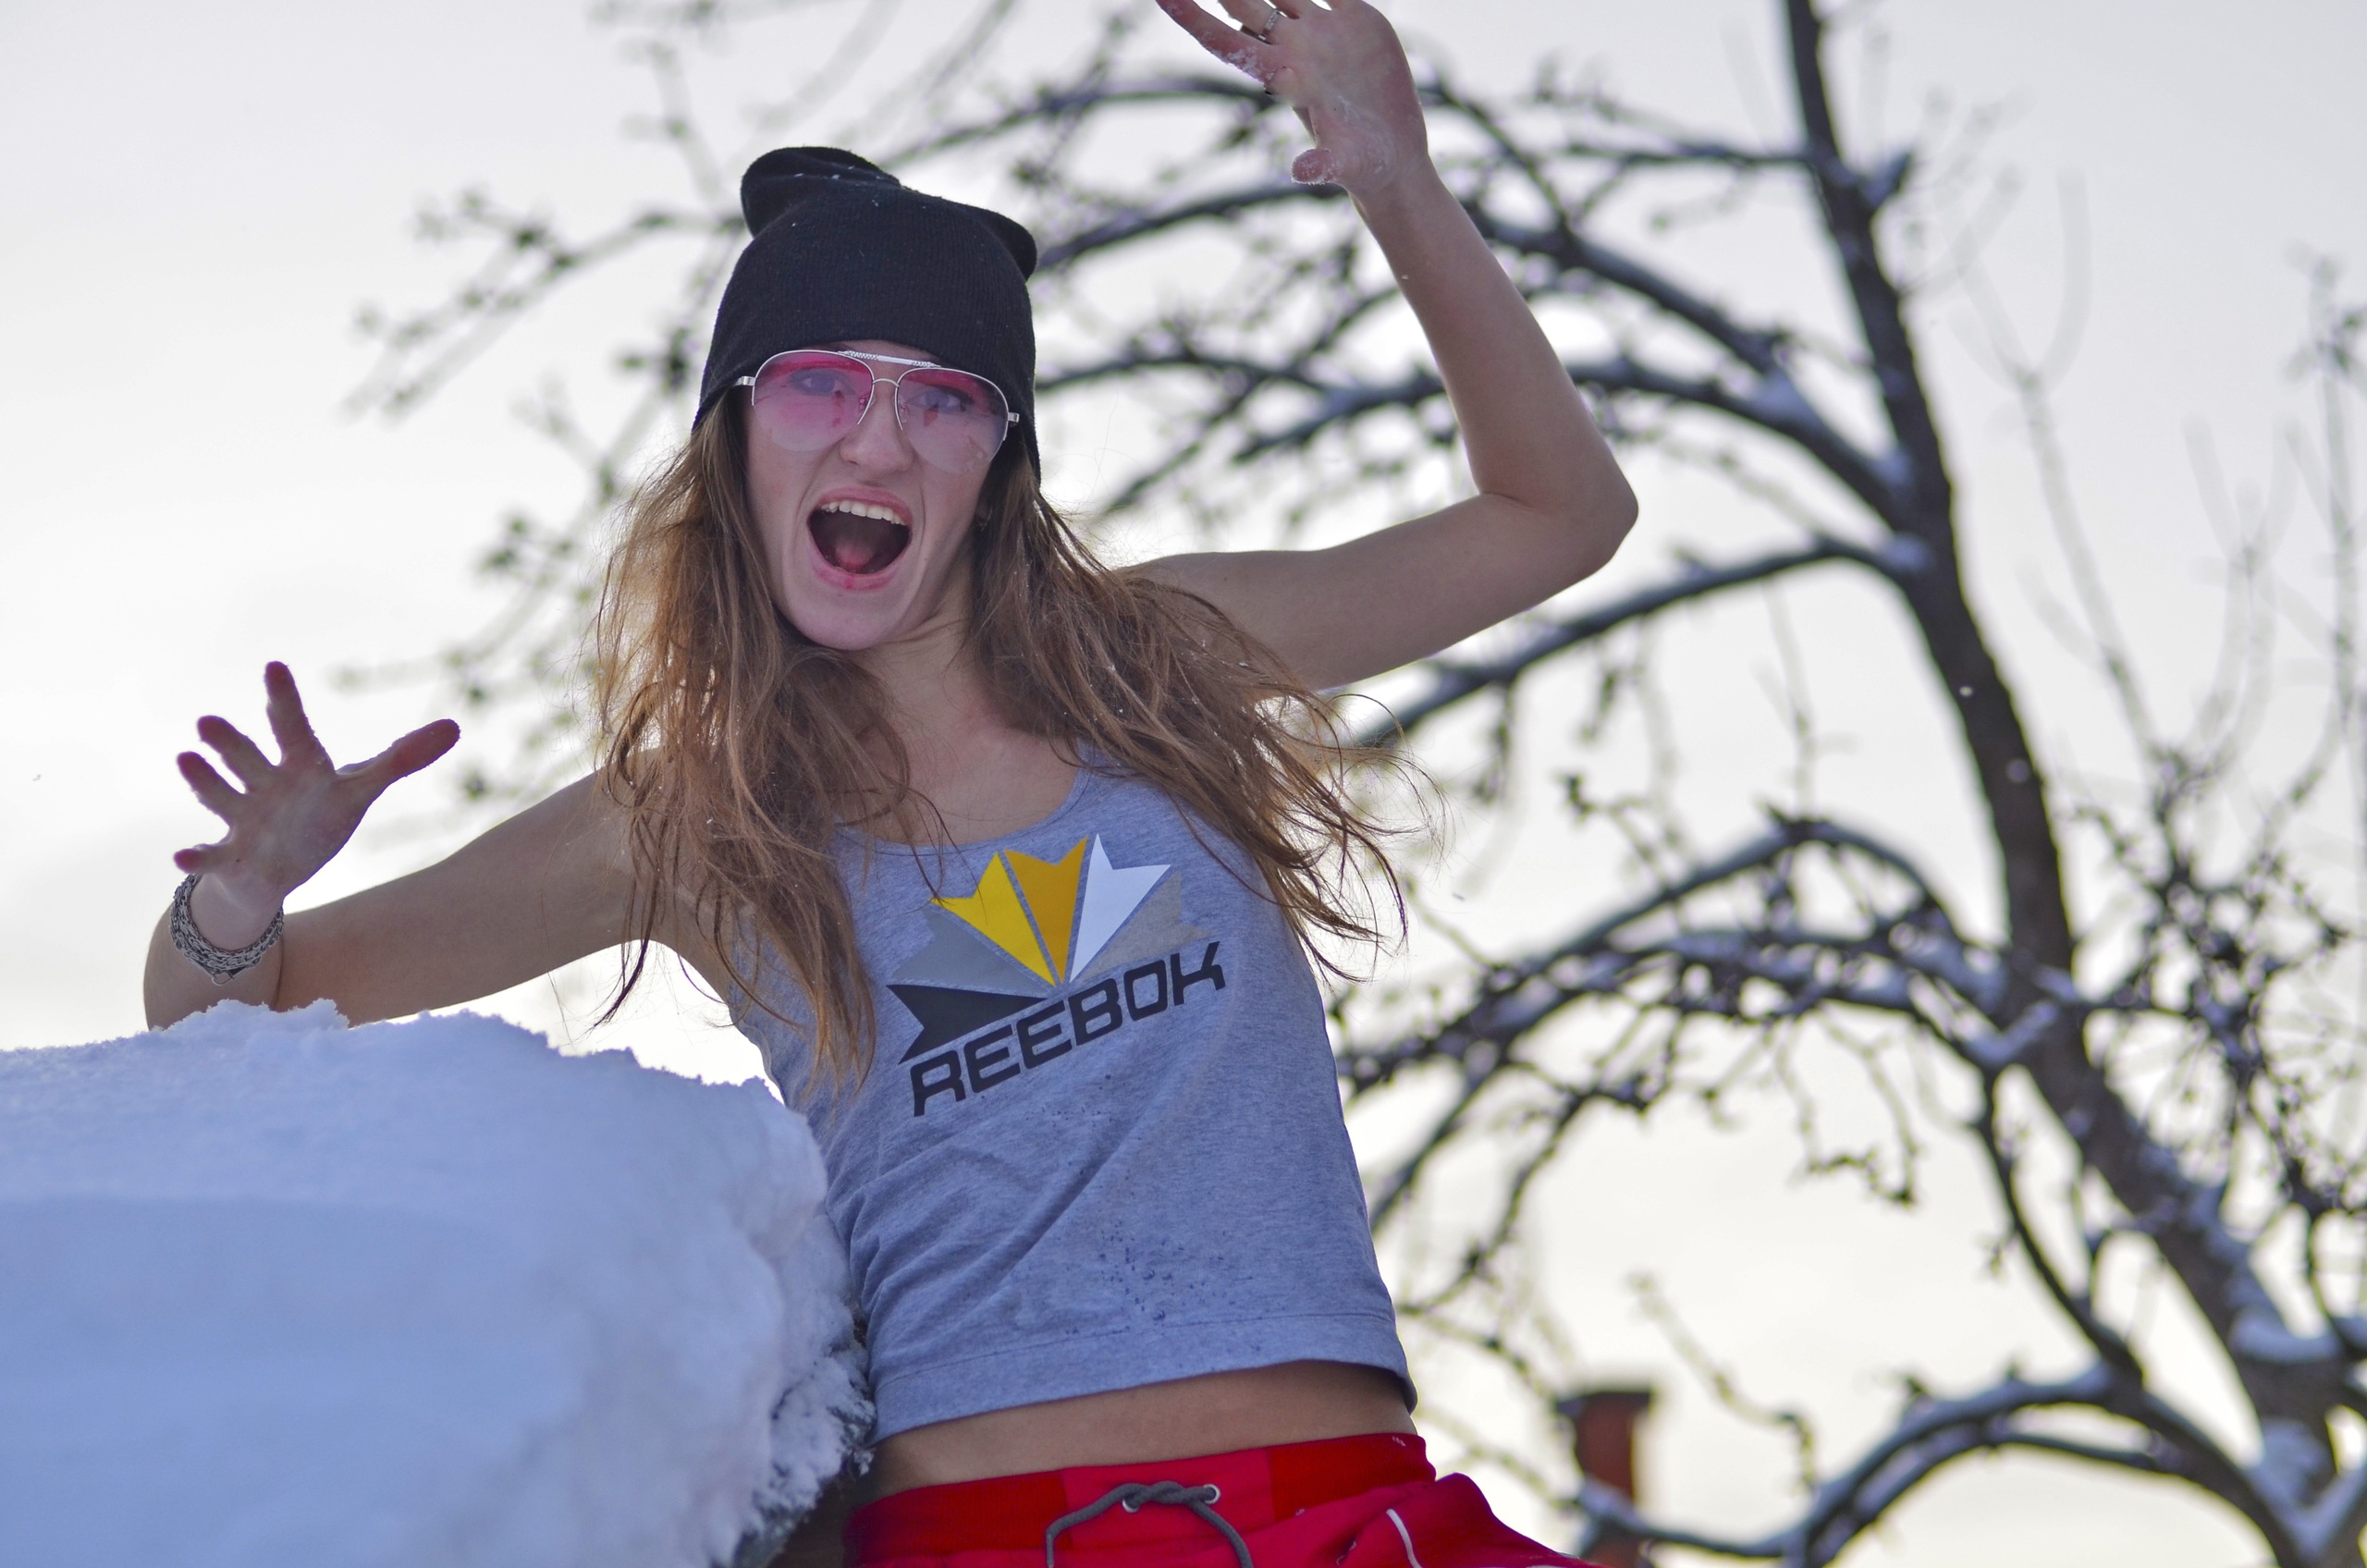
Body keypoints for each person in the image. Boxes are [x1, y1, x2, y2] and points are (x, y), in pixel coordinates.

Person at [144, 1, 1637, 1562]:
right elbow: (224, 1018)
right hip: (993, 1537)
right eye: (818, 385)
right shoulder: (694, 817)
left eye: (941, 399)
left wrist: (1398, 180)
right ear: (736, 437)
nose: (877, 441)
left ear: (997, 464)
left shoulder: (1159, 660)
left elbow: (1561, 517)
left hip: (1354, 1516)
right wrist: (240, 893)